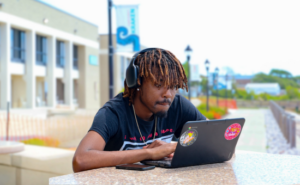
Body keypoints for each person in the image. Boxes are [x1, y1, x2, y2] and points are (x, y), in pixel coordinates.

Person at [72, 48, 207, 172]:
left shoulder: (177, 105)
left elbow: (214, 140)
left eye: (173, 86)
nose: (168, 94)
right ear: (137, 82)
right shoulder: (113, 113)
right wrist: (149, 153)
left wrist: (174, 146)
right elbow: (81, 160)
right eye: (159, 84)